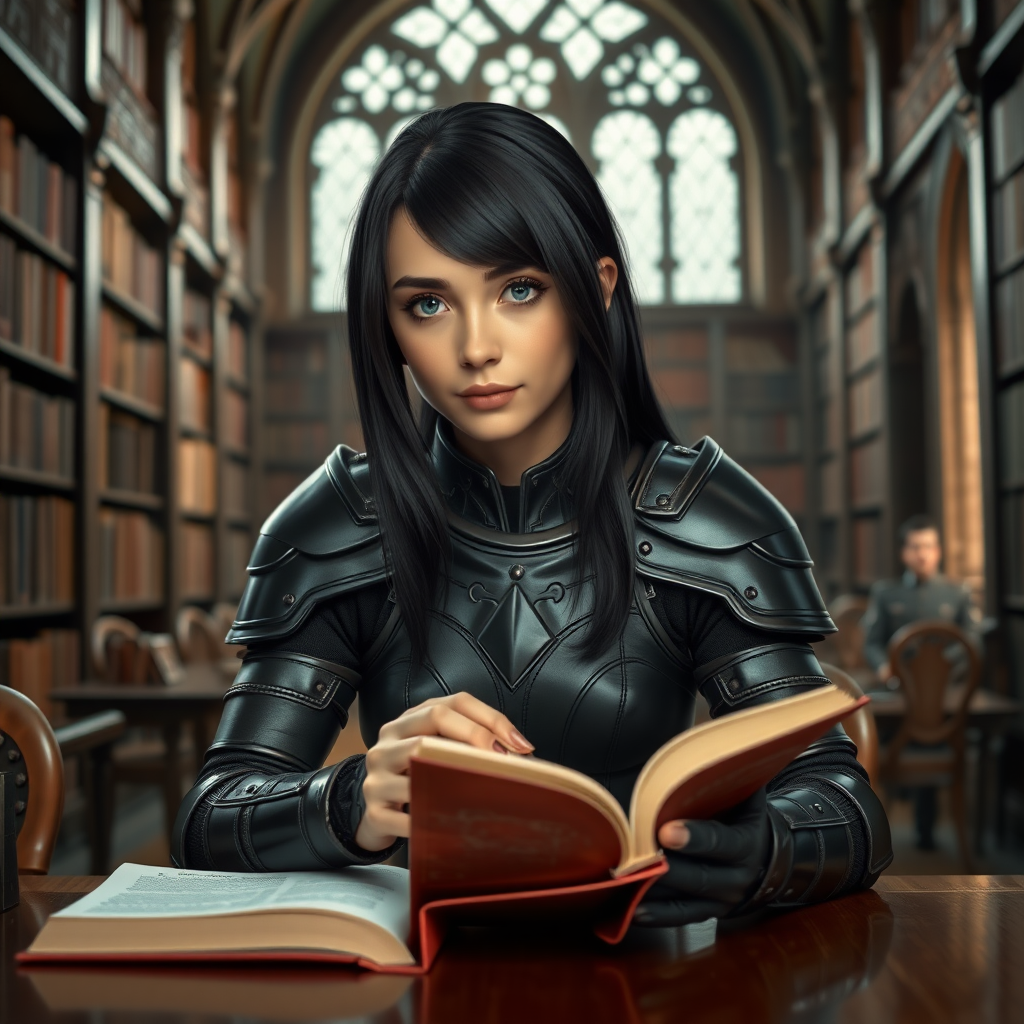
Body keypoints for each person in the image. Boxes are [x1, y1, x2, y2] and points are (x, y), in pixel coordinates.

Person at [171, 103, 891, 924]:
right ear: (387, 324)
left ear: (597, 290)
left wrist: (760, 851)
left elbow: (845, 805)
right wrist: (347, 800)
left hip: (658, 983)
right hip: (418, 981)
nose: (476, 347)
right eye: (428, 305)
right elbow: (208, 817)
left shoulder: (710, 519)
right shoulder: (334, 527)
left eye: (518, 290)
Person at [861, 514, 977, 849]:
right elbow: (872, 642)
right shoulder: (886, 592)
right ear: (904, 553)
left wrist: (946, 669)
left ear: (938, 551)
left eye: (928, 546)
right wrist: (884, 666)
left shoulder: (957, 593)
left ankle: (925, 827)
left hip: (945, 696)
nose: (922, 554)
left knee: (937, 730)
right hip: (897, 690)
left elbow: (972, 641)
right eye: (915, 547)